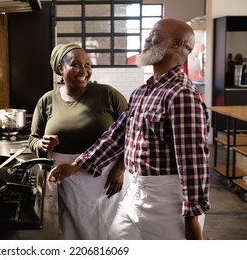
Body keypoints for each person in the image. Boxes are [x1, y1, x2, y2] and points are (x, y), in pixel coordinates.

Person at [48, 18, 211, 240]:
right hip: (134, 194)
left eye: (154, 36)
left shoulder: (181, 96)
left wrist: (192, 219)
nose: (146, 40)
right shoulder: (143, 92)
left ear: (176, 44)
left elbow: (193, 163)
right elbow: (115, 136)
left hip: (168, 204)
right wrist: (75, 166)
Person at [28, 43, 129, 239]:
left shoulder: (107, 94)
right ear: (60, 69)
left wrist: (121, 167)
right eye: (76, 64)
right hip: (64, 179)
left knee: (108, 232)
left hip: (106, 178)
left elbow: (132, 132)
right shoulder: (47, 100)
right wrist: (41, 145)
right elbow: (33, 139)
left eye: (88, 64)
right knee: (72, 232)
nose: (84, 70)